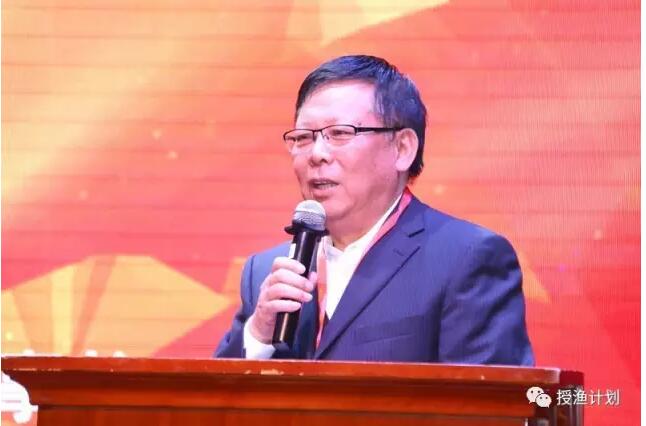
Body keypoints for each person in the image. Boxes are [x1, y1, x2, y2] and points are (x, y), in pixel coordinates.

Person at [215, 55, 534, 365]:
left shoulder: (466, 258)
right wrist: (258, 335)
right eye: (303, 137)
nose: (317, 153)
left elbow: (487, 397)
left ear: (402, 148)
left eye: (340, 133)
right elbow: (214, 395)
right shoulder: (266, 272)